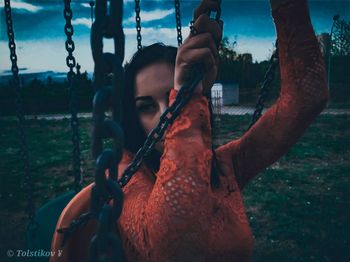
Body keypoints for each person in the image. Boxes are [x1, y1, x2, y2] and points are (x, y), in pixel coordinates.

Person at [51, 0, 329, 261]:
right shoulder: (124, 175)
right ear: (132, 116)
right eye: (146, 106)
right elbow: (175, 247)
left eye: (172, 97)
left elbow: (306, 99)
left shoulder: (224, 166)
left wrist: (288, 7)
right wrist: (186, 101)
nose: (164, 115)